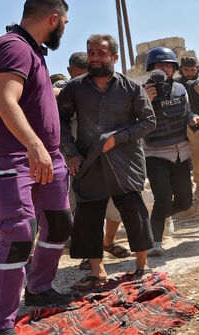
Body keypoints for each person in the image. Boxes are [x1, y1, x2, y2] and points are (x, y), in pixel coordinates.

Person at [0, 0, 73, 335]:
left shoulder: (33, 53)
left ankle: (39, 288)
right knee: (18, 235)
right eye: (65, 21)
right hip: (11, 156)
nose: (65, 28)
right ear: (53, 19)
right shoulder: (13, 47)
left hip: (46, 156)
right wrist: (33, 146)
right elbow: (5, 101)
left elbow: (34, 98)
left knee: (59, 224)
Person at [58, 34, 156, 291]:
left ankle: (141, 266)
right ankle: (95, 271)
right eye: (91, 53)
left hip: (125, 160)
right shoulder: (75, 88)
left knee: (134, 212)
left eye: (101, 53)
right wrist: (70, 152)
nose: (95, 58)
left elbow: (148, 121)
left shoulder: (132, 88)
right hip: (88, 160)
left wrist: (118, 138)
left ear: (114, 57)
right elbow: (59, 121)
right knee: (89, 214)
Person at [142, 47, 199, 256]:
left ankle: (154, 222)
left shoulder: (180, 89)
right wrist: (145, 100)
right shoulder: (141, 92)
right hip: (155, 154)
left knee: (185, 202)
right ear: (152, 69)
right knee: (162, 198)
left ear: (174, 68)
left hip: (181, 153)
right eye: (160, 66)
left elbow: (186, 113)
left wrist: (195, 119)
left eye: (169, 65)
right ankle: (155, 241)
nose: (165, 69)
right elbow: (135, 119)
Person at [179, 56, 199, 193]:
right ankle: (197, 186)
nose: (190, 73)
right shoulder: (177, 84)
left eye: (192, 70)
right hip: (185, 126)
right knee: (195, 158)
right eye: (186, 70)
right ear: (181, 69)